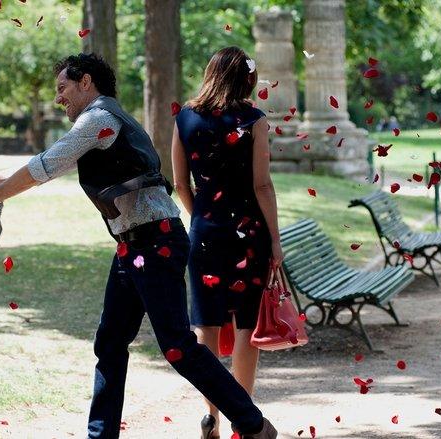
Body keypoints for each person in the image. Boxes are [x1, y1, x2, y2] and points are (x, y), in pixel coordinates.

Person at [0, 53, 277, 439]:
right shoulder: (100, 119)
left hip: (155, 243)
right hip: (133, 245)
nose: (58, 97)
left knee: (177, 346)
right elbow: (42, 162)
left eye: (63, 88)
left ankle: (252, 424)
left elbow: (44, 168)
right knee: (110, 343)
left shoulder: (99, 120)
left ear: (86, 82)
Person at [171, 46, 283, 439]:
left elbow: (180, 183)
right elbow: (262, 185)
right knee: (245, 327)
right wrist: (275, 240)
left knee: (205, 325)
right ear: (247, 79)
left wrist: (202, 217)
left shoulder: (185, 117)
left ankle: (211, 417)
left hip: (204, 232)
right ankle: (243, 417)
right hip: (249, 234)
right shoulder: (254, 120)